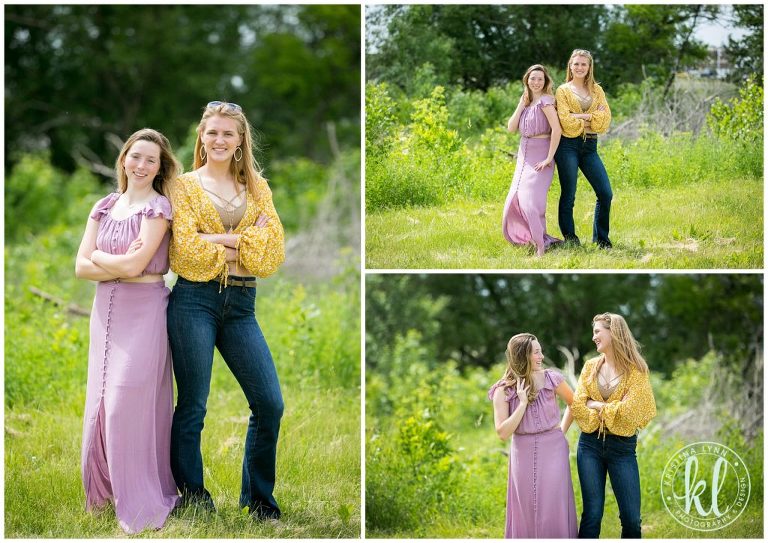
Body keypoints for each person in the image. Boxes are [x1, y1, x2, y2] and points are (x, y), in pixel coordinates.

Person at [167, 101, 285, 520]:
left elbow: (271, 254)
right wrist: (241, 242)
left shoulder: (257, 187)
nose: (219, 140)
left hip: (241, 305)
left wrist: (215, 241)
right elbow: (185, 250)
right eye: (212, 132)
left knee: (270, 404)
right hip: (193, 301)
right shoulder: (182, 186)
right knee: (194, 404)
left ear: (240, 141)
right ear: (201, 136)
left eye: (227, 134)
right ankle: (193, 497)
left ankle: (258, 501)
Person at [75, 128, 181, 533]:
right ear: (123, 160)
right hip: (105, 313)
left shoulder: (159, 209)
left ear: (160, 167)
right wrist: (109, 259)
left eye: (150, 160)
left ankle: (142, 494)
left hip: (145, 310)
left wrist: (99, 257)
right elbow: (80, 267)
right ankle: (104, 493)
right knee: (100, 402)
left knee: (125, 402)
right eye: (135, 157)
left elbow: (137, 268)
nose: (141, 165)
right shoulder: (103, 206)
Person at [570, 313, 657, 538]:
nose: (593, 337)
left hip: (622, 448)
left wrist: (596, 404)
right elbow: (578, 405)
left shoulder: (637, 371)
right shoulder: (590, 367)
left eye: (597, 331)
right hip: (589, 445)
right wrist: (614, 407)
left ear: (613, 332)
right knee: (592, 514)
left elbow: (632, 412)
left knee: (631, 519)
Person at [489, 333, 578, 538]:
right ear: (523, 356)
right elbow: (502, 432)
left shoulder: (552, 378)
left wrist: (560, 432)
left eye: (540, 351)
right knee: (526, 505)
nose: (541, 356)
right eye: (536, 352)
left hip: (554, 447)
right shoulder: (503, 390)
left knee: (554, 502)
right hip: (522, 450)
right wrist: (522, 403)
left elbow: (574, 404)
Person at [554, 49, 613, 248]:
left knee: (605, 193)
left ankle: (602, 240)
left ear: (589, 67)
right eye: (576, 64)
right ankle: (571, 239)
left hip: (590, 147)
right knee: (569, 194)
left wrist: (579, 117)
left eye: (584, 64)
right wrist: (591, 117)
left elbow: (604, 121)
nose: (579, 67)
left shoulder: (597, 91)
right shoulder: (563, 90)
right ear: (570, 66)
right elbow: (565, 121)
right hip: (567, 146)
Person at [502, 64, 563, 257]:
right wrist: (522, 102)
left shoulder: (546, 101)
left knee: (530, 202)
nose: (536, 82)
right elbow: (511, 128)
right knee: (514, 200)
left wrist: (549, 158)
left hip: (541, 157)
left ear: (545, 82)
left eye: (540, 79)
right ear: (526, 80)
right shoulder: (527, 102)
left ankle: (540, 247)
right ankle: (532, 238)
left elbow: (557, 129)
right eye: (532, 78)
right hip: (523, 156)